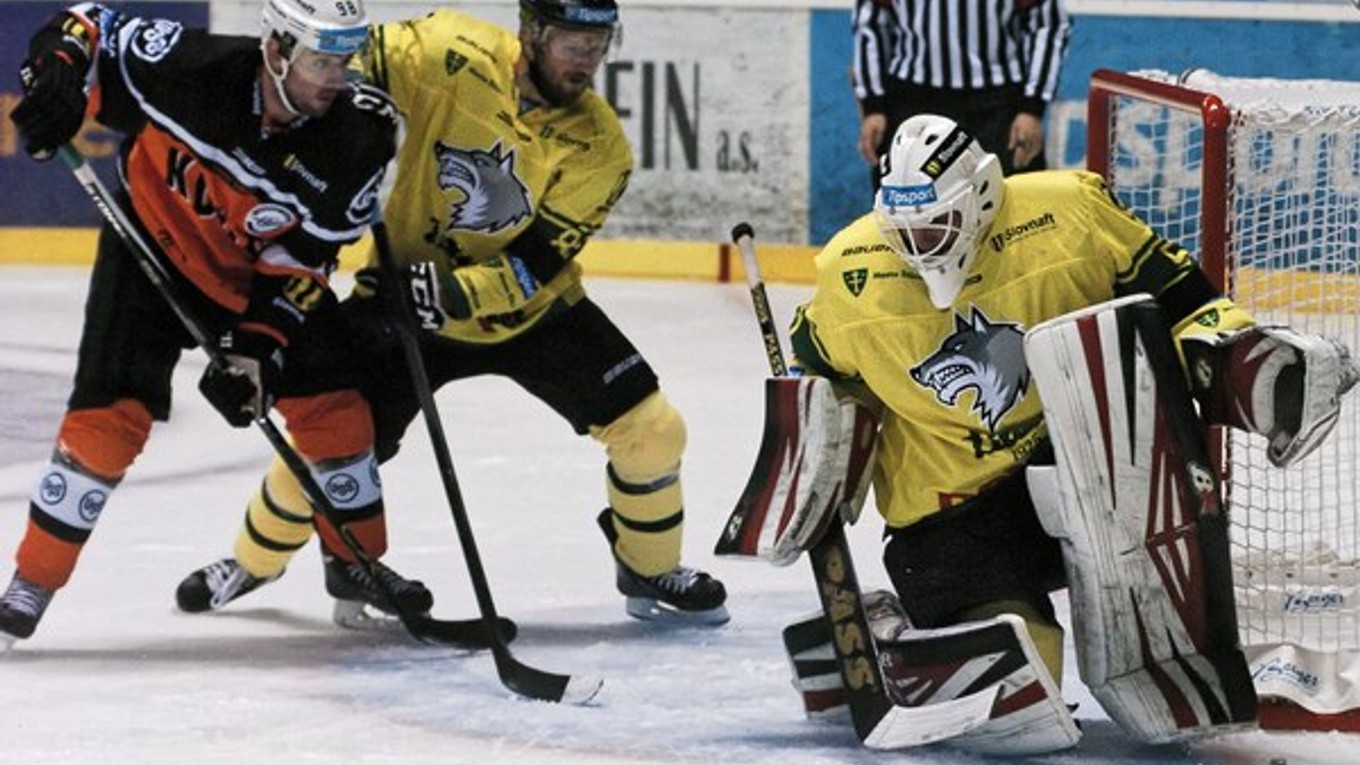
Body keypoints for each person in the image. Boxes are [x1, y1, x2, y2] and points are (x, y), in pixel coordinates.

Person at [780, 114, 1356, 743]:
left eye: (935, 224)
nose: (920, 246)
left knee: (1154, 575)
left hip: (1085, 476)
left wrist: (1241, 361)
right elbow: (816, 375)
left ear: (982, 196)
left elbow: (1184, 300)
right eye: (905, 231)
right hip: (947, 515)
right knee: (1026, 681)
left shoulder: (1070, 211)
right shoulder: (850, 269)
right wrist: (811, 447)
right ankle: (885, 637)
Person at [176, 0, 729, 626]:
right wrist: (351, 129)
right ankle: (255, 559)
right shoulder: (450, 51)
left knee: (653, 431)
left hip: (530, 316)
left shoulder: (601, 148)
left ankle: (649, 566)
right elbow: (341, 62)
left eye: (598, 45)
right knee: (333, 442)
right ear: (533, 32)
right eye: (573, 43)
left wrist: (450, 296)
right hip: (399, 306)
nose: (587, 61)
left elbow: (536, 263)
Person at [0, 0, 434, 648]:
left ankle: (357, 567)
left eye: (343, 59)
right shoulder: (191, 69)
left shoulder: (359, 136)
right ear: (278, 51)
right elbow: (86, 22)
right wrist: (59, 73)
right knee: (106, 426)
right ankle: (29, 585)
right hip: (147, 249)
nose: (336, 77)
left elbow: (306, 261)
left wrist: (256, 347)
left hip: (251, 284)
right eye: (321, 59)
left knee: (340, 412)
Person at [852, 0, 1072, 189]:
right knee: (906, 211)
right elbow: (871, 21)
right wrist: (873, 106)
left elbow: (1048, 22)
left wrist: (1031, 108)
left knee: (1012, 212)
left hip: (998, 106)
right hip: (912, 104)